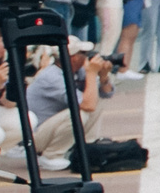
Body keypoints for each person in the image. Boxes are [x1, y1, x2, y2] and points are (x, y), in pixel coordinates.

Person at [21, 37, 108, 169]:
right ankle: (50, 155)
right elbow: (87, 105)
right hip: (33, 137)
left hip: (48, 129)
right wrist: (92, 73)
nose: (87, 57)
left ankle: (85, 146)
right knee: (80, 113)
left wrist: (103, 76)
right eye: (82, 54)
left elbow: (106, 93)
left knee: (98, 96)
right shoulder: (52, 77)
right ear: (72, 57)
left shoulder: (76, 71)